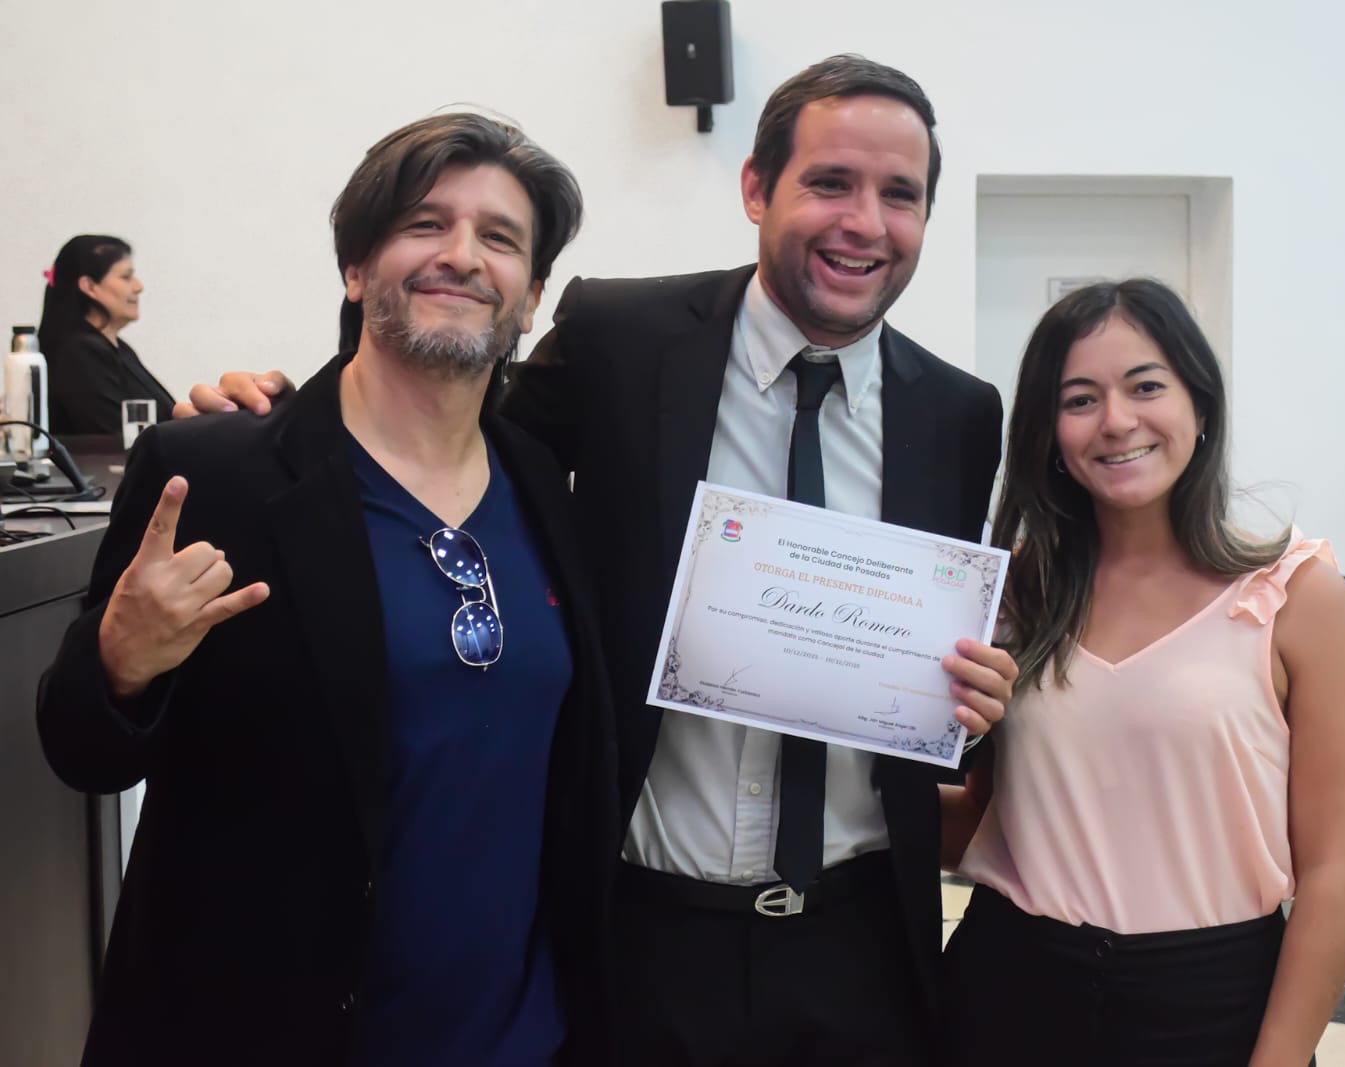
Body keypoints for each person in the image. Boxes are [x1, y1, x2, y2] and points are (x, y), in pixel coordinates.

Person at [179, 55, 1017, 1067]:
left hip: (861, 941)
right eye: (830, 182)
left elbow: (929, 655)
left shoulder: (959, 413)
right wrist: (273, 421)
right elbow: (452, 433)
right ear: (757, 186)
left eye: (900, 194)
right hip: (641, 931)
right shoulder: (624, 338)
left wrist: (968, 695)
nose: (864, 222)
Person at [35, 113, 616, 1067]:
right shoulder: (216, 471)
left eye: (500, 237)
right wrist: (117, 661)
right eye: (425, 224)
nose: (462, 255)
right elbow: (81, 749)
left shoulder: (543, 483)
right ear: (355, 267)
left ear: (533, 294)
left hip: (518, 1037)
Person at [939, 279, 1345, 1066]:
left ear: (1200, 407)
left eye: (1146, 386)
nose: (1116, 420)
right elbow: (986, 815)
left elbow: (1336, 868)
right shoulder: (1011, 594)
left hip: (1212, 1003)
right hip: (1008, 986)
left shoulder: (1294, 594)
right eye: (1080, 399)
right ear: (1049, 433)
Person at [37, 235, 176, 435]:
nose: (138, 287)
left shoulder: (118, 348)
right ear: (89, 287)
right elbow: (116, 436)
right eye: (126, 277)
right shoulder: (81, 352)